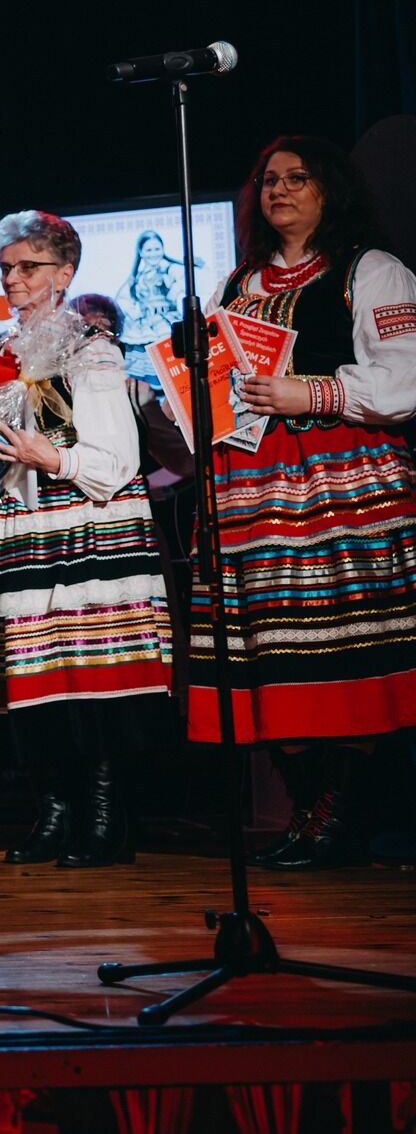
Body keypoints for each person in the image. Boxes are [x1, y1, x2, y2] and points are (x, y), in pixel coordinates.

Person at [185, 136, 416, 868]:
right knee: (270, 648)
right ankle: (308, 809)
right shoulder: (235, 284)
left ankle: (337, 814)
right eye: (268, 180)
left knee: (344, 642)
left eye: (297, 177)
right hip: (248, 485)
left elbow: (406, 379)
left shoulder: (369, 271)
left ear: (330, 189)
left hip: (337, 477)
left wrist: (309, 392)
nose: (279, 190)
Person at [0, 210, 176, 869]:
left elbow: (117, 460)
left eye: (29, 266)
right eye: (5, 268)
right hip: (13, 527)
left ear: (65, 272)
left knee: (89, 674)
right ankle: (54, 811)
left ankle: (105, 819)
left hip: (81, 528)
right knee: (31, 676)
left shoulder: (90, 348)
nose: (13, 278)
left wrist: (53, 457)